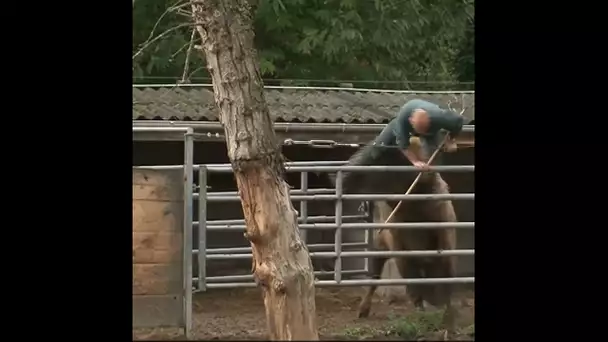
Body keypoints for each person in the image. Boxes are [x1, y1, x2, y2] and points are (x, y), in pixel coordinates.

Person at [374, 99, 464, 170]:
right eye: (420, 131)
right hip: (406, 122)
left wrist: (451, 139)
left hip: (431, 131)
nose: (421, 134)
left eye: (424, 129)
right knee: (380, 145)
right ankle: (367, 165)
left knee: (433, 156)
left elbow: (458, 121)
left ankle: (432, 179)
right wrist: (415, 161)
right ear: (411, 121)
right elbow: (403, 145)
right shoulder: (402, 121)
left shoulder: (439, 116)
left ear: (430, 120)